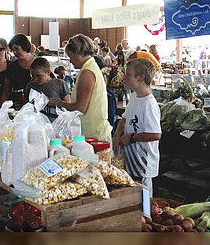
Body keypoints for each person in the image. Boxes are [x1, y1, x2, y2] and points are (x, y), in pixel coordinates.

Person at [48, 34, 112, 141]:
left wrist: (59, 103)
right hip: (94, 132)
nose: (70, 61)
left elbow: (80, 108)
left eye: (70, 56)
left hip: (93, 134)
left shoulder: (87, 72)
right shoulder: (91, 67)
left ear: (77, 52)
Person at [112, 58, 161, 198]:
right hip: (131, 162)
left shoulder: (149, 103)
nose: (124, 78)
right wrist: (117, 135)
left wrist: (132, 137)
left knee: (143, 202)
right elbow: (125, 118)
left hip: (144, 165)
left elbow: (156, 134)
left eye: (128, 74)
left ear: (141, 77)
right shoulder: (135, 96)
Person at [2, 34, 34, 108]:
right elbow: (6, 89)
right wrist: (4, 108)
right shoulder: (12, 67)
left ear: (24, 46)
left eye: (17, 48)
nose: (15, 52)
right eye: (13, 50)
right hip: (17, 106)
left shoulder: (39, 63)